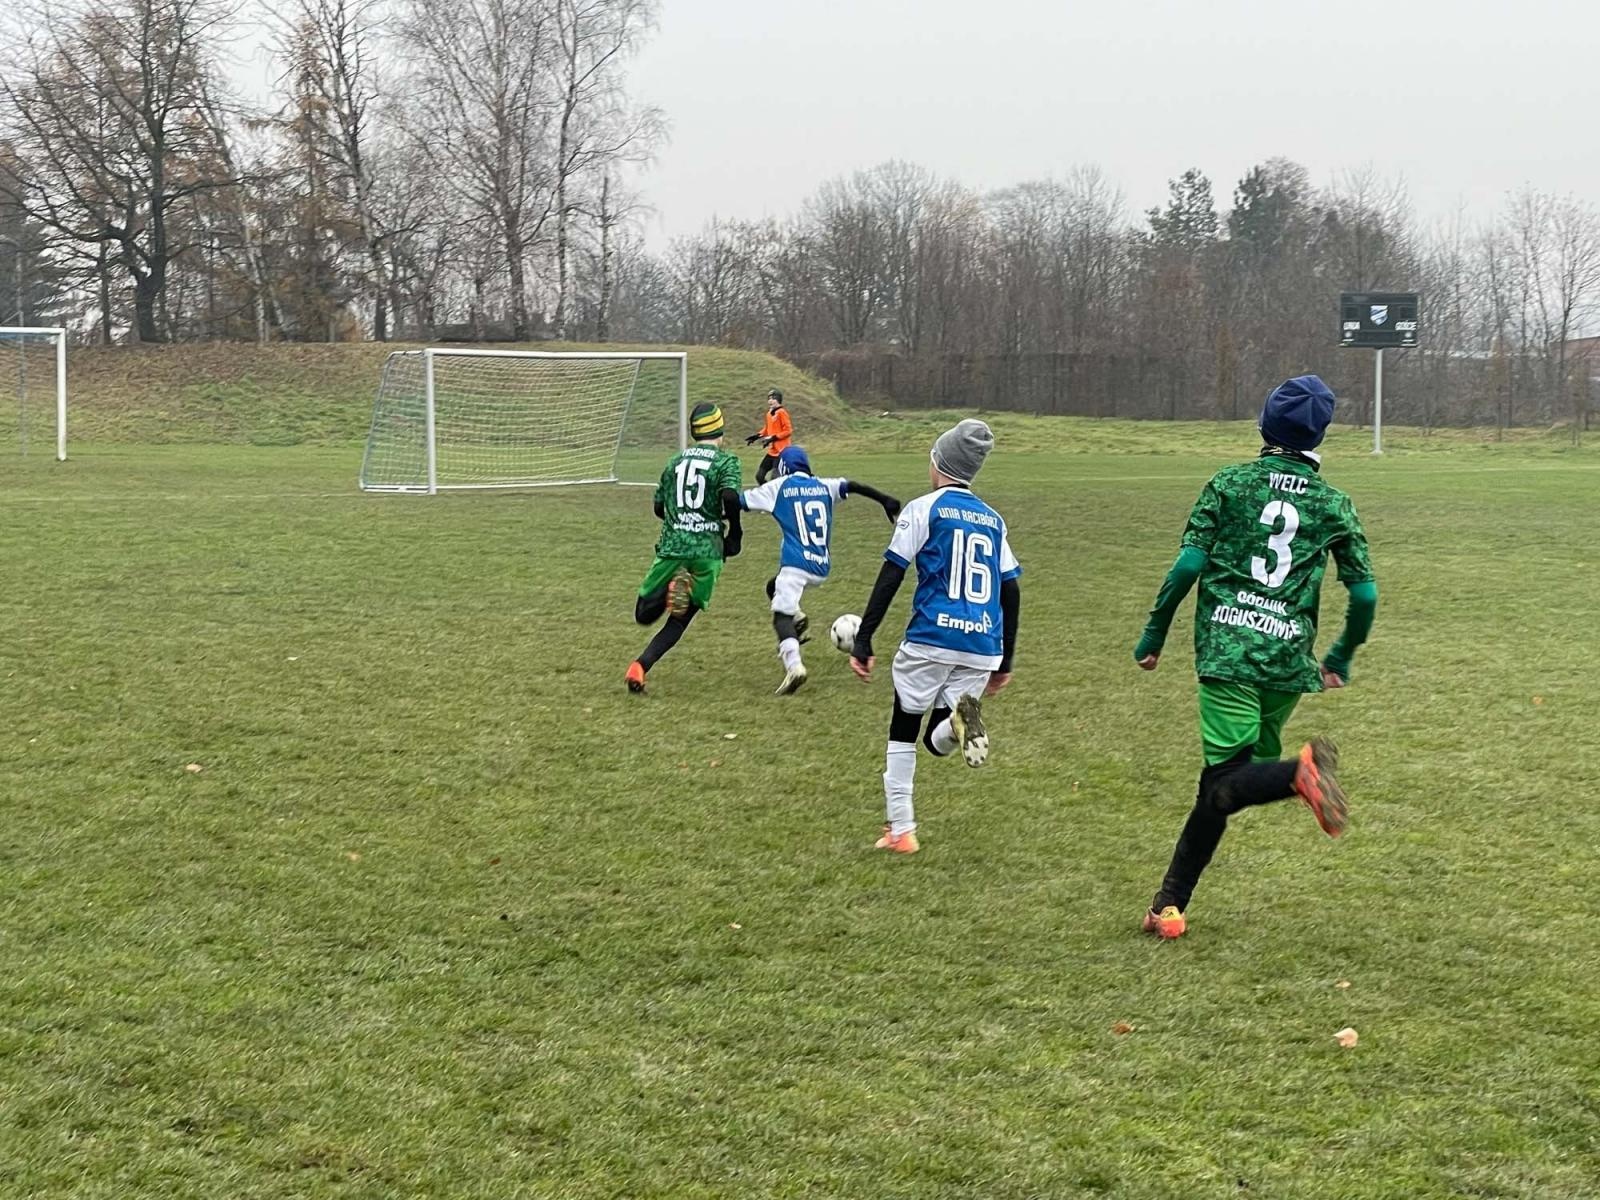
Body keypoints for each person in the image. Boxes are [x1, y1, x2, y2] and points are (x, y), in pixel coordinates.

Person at [1132, 375, 1378, 939]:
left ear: (1264, 425)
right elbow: (1364, 593)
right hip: (1288, 663)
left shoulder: (1228, 484)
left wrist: (1153, 634)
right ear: (1322, 433)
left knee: (1228, 782)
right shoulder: (1334, 503)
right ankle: (1167, 905)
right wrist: (1340, 656)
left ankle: (1300, 774)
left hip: (1228, 649)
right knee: (1220, 785)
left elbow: (1188, 568)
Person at [848, 419, 1021, 854]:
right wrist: (1006, 660)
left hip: (931, 636)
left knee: (903, 731)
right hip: (983, 643)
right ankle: (957, 723)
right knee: (935, 739)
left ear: (938, 462)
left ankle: (901, 830)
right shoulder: (993, 519)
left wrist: (864, 638)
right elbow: (1011, 589)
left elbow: (891, 573)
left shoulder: (924, 508)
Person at [739, 445, 901, 695]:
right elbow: (854, 486)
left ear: (782, 469)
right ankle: (798, 617)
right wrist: (885, 500)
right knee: (773, 586)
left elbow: (740, 500)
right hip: (821, 566)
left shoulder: (779, 487)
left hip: (796, 565)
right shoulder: (824, 485)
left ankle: (794, 667)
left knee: (780, 617)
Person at [626, 402, 744, 694]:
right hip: (708, 550)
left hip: (674, 546)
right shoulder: (726, 462)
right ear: (720, 428)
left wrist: (680, 517)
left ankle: (668, 591)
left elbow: (657, 507)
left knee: (643, 614)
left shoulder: (674, 462)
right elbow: (730, 495)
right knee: (679, 620)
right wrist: (735, 533)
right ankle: (641, 665)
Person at [745, 389, 793, 484]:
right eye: (769, 398)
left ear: (778, 400)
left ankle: (776, 495)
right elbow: (767, 429)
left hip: (781, 452)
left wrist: (773, 438)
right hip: (772, 452)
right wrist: (756, 436)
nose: (770, 401)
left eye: (773, 398)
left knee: (775, 479)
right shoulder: (768, 414)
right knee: (759, 476)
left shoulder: (782, 412)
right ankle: (768, 493)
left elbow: (788, 431)